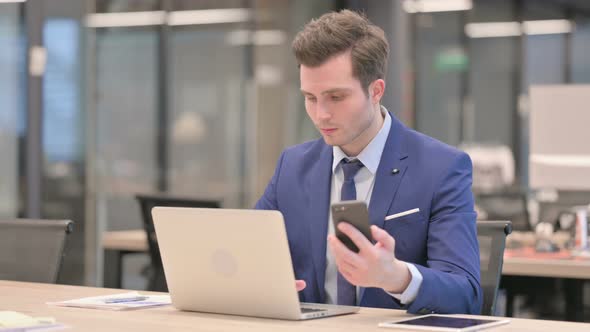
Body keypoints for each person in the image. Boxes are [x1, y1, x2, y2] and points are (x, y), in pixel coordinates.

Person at [255, 9, 481, 315]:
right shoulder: (292, 167)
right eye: (310, 97)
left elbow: (466, 293)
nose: (321, 114)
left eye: (336, 97)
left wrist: (397, 277)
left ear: (375, 91)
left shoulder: (442, 168)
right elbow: (248, 254)